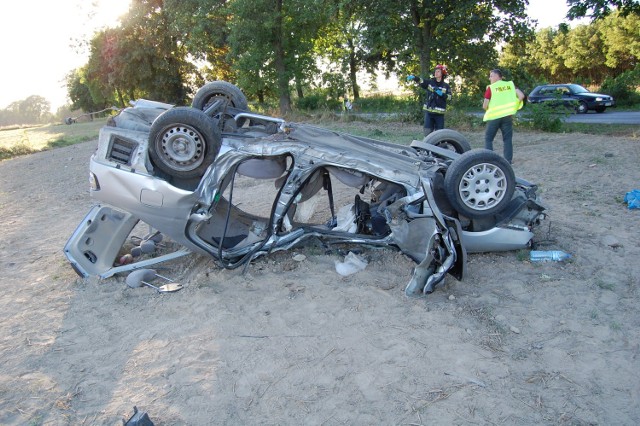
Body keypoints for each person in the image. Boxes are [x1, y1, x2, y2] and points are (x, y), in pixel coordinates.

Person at [482, 69, 525, 164]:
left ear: (498, 76)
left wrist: (490, 109)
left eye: (491, 76)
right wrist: (514, 106)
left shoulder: (491, 88)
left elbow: (485, 105)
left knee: (489, 139)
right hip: (507, 116)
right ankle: (508, 161)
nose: (490, 78)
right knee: (507, 139)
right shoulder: (510, 85)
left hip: (494, 117)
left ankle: (489, 160)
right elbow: (521, 96)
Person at [407, 64, 452, 136]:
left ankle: (440, 146)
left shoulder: (446, 86)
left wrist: (442, 94)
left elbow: (449, 97)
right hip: (429, 113)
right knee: (427, 133)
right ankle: (426, 146)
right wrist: (414, 77)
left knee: (439, 135)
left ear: (442, 74)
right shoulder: (430, 83)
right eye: (435, 71)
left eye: (438, 71)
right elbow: (422, 81)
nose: (436, 73)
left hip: (439, 115)